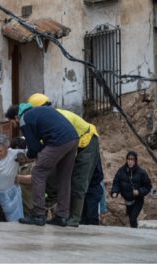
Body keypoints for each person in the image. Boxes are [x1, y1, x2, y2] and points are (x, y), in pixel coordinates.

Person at [27, 93, 100, 227]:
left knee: (79, 180)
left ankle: (74, 218)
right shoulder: (47, 119)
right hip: (71, 145)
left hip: (87, 142)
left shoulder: (58, 117)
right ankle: (58, 212)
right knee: (57, 176)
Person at [6, 103, 78, 226]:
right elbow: (40, 145)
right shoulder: (38, 111)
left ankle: (38, 215)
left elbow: (34, 148)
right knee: (63, 178)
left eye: (12, 122)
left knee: (38, 173)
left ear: (16, 118)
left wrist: (26, 157)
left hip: (58, 140)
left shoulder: (24, 118)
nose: (15, 125)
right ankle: (62, 216)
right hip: (73, 138)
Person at [110, 151, 152, 228]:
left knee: (133, 218)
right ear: (126, 160)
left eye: (132, 159)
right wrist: (115, 191)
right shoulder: (121, 171)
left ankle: (135, 233)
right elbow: (117, 182)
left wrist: (139, 191)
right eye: (128, 159)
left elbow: (148, 186)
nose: (130, 161)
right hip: (128, 200)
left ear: (135, 160)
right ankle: (134, 231)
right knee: (131, 219)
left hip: (138, 200)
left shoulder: (141, 173)